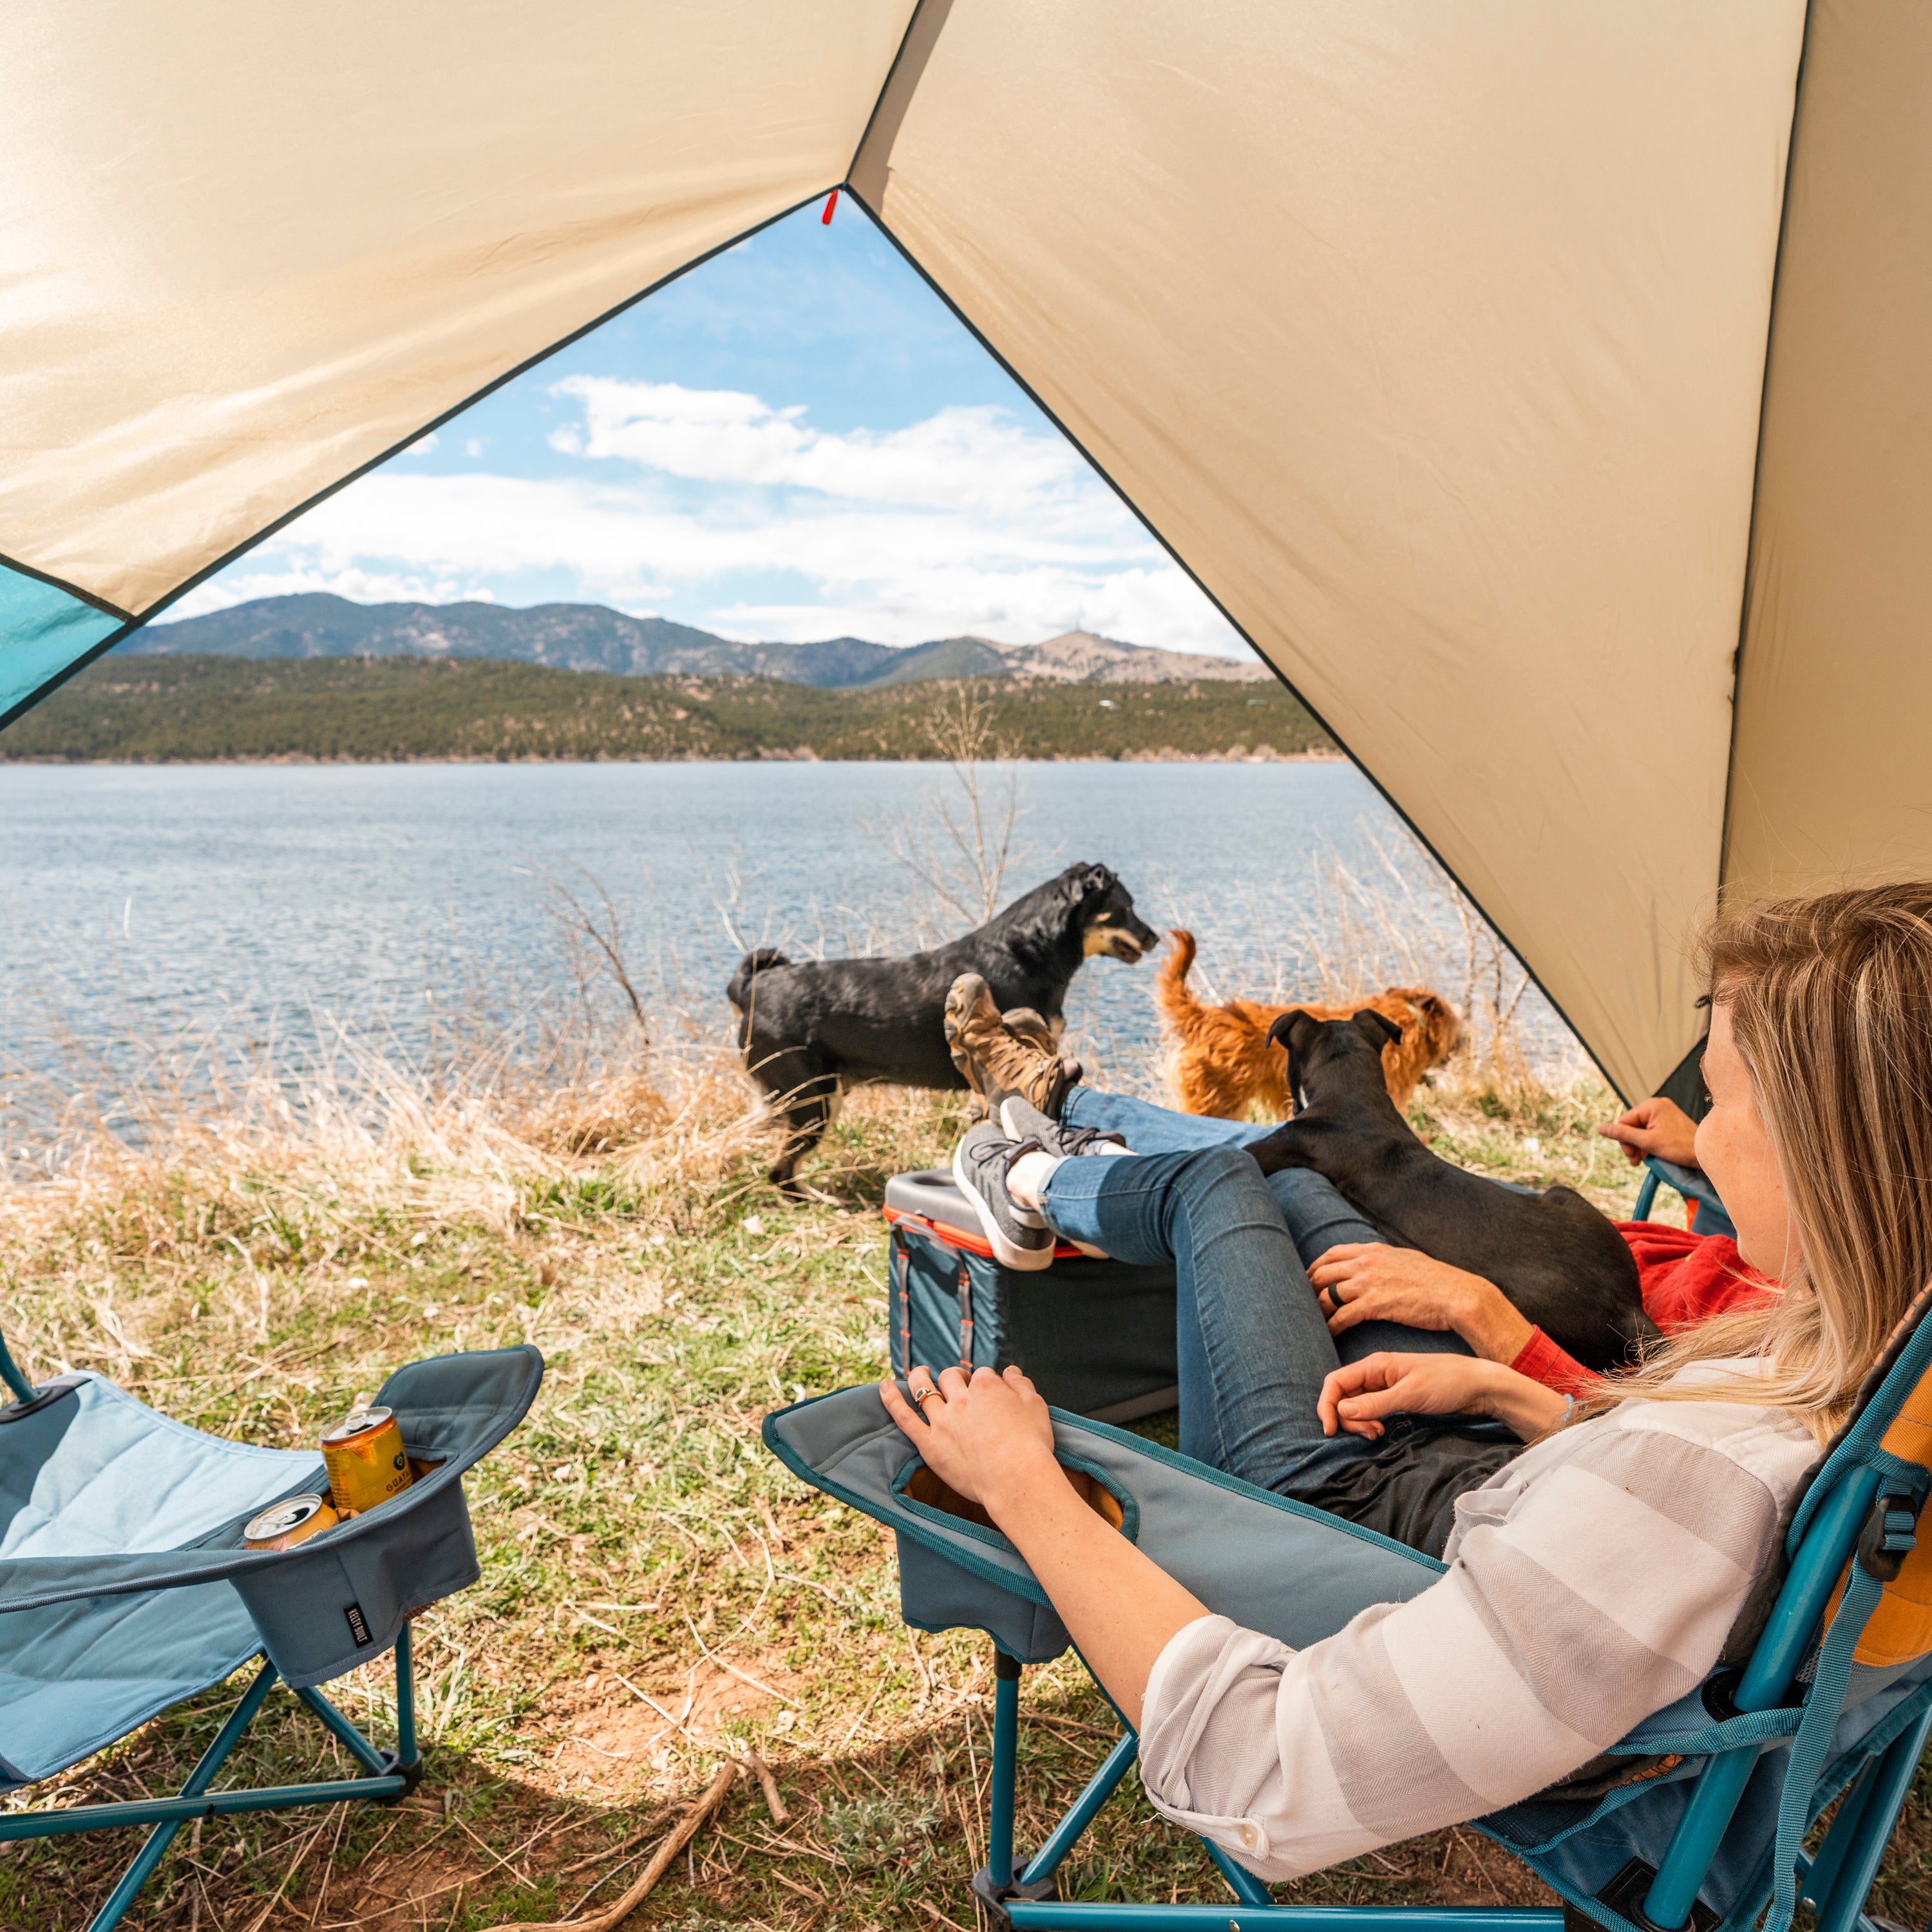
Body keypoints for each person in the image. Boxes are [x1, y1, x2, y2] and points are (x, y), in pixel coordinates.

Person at [883, 886, 1932, 1882]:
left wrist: (1023, 1482)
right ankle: (1047, 1141)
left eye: (1724, 1098)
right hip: (1480, 1473)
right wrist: (1521, 1395)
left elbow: (1262, 1773)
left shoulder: (1693, 1484)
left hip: (1337, 1511)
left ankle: (1024, 1171)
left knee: (1226, 1176)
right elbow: (1656, 1505)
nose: (1700, 1134)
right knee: (1297, 1177)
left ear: (1828, 1148)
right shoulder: (1865, 1358)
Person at [944, 976, 1774, 1399]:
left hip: (1537, 1311)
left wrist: (1479, 1309)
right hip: (1586, 1262)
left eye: (1725, 1101)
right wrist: (1703, 1151)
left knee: (1290, 1164)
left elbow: (1623, 1410)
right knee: (1330, 1151)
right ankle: (1062, 1121)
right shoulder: (1807, 1274)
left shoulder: (1787, 1359)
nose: (1705, 1118)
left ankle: (1049, 1147)